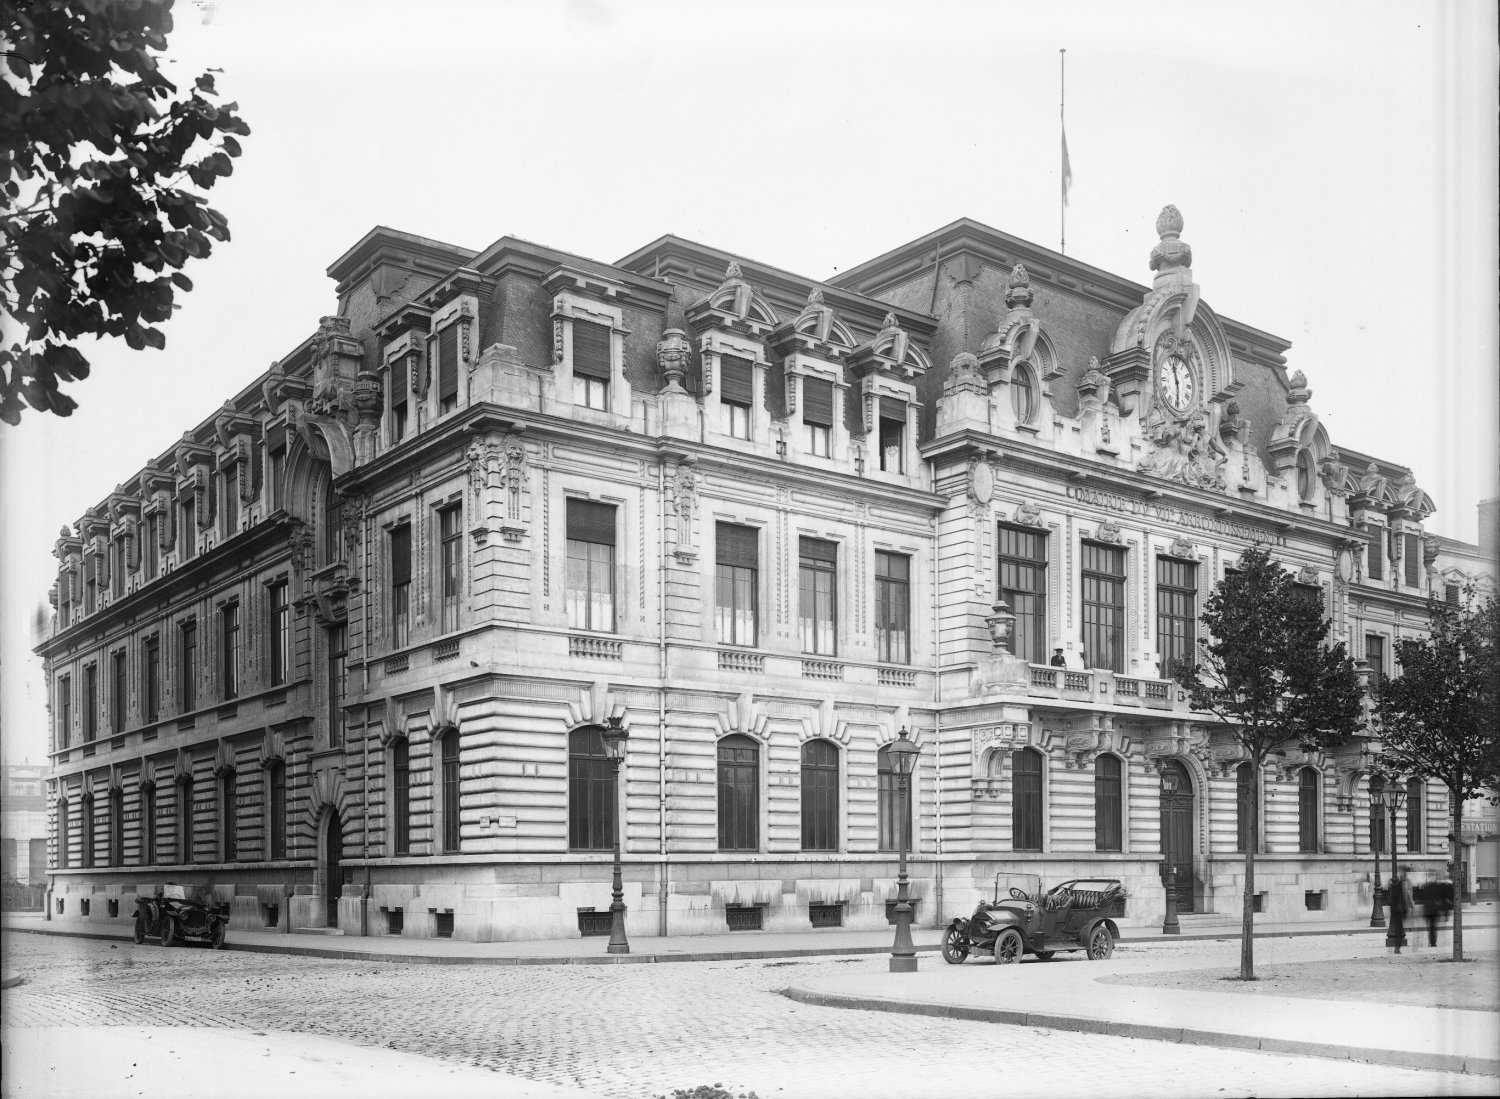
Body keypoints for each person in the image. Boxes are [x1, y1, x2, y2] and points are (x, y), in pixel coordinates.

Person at [1389, 865, 1413, 953]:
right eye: (1404, 873)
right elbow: (1404, 896)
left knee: (1399, 928)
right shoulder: (1400, 884)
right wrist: (1408, 907)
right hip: (1399, 910)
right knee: (1399, 929)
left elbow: (1405, 896)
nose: (1405, 875)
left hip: (1398, 909)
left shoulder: (1401, 883)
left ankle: (1397, 946)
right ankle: (1397, 947)